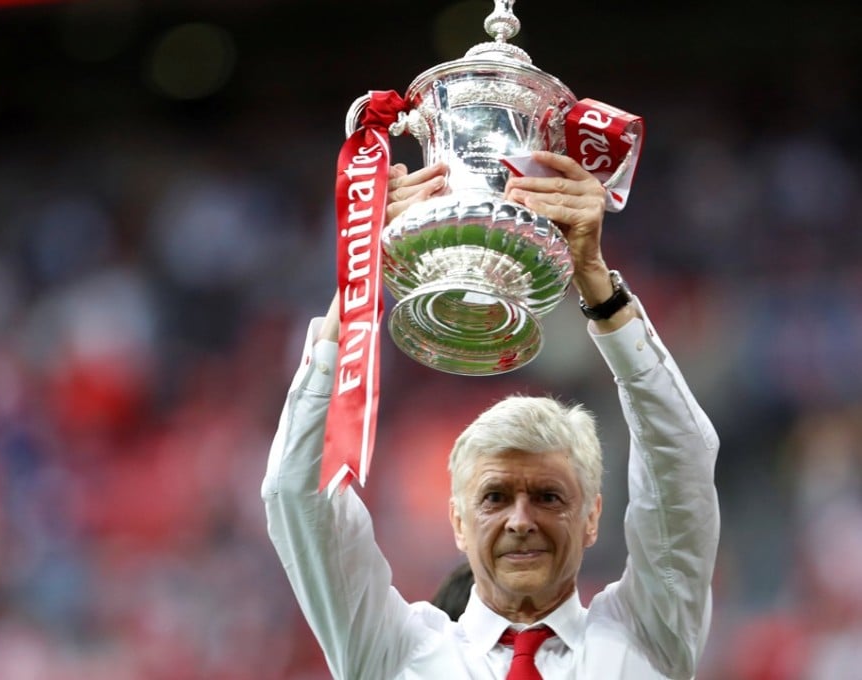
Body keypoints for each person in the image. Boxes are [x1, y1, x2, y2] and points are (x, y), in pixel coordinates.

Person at [262, 150, 720, 679]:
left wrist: (596, 281)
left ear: (593, 515)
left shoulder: (647, 635)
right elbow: (297, 493)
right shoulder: (393, 653)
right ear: (457, 520)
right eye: (495, 497)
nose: (521, 521)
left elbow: (680, 460)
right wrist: (365, 273)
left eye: (549, 496)